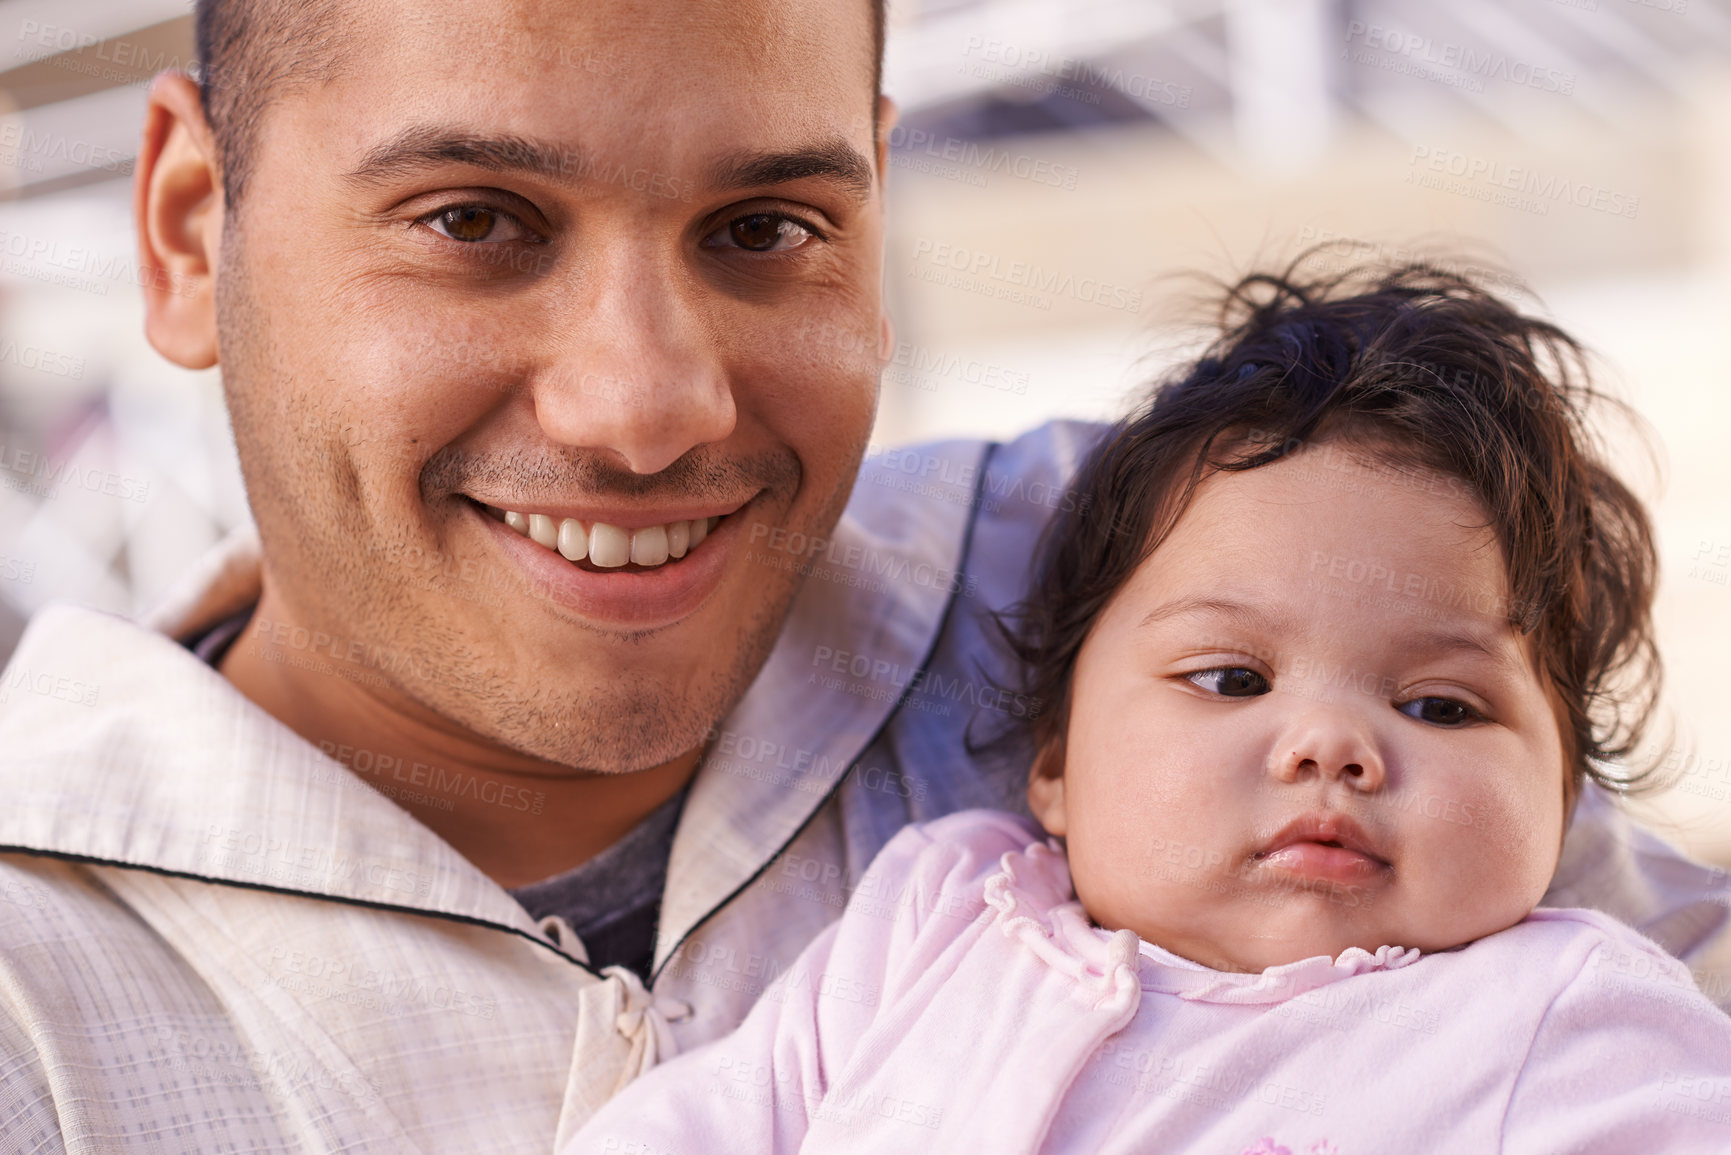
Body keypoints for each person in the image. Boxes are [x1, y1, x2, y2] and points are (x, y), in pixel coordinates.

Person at [0, 0, 1722, 1148]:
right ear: (187, 230)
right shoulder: (38, 998)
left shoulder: (1158, 562)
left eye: (764, 230)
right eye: (474, 219)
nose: (648, 407)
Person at [566, 264, 1731, 1153]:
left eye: (1439, 705)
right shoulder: (938, 917)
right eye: (1232, 680)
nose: (1334, 746)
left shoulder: (1571, 1019)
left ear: (1563, 800)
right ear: (1057, 764)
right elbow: (710, 1123)